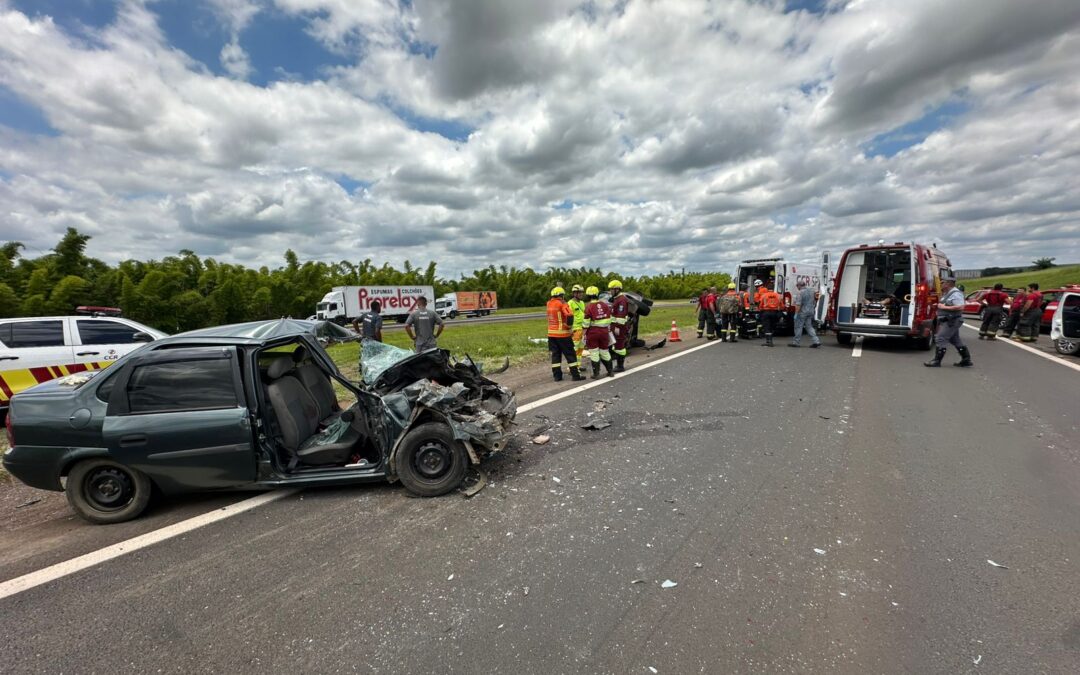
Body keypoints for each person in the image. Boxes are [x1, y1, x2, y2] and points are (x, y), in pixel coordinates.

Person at [924, 272, 972, 367]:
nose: (940, 284)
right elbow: (948, 304)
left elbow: (960, 307)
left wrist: (943, 307)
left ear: (948, 283)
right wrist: (939, 306)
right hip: (949, 320)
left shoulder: (955, 293)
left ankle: (937, 361)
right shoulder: (948, 293)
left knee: (940, 338)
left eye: (942, 282)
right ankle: (966, 359)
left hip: (952, 320)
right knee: (955, 340)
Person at [546, 287, 585, 382]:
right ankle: (576, 376)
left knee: (555, 356)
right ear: (561, 295)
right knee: (570, 355)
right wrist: (569, 326)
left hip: (551, 334)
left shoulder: (548, 303)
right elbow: (569, 315)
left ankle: (557, 376)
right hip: (562, 334)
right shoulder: (562, 303)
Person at [582, 286, 615, 379]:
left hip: (593, 332)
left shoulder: (588, 307)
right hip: (604, 332)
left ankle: (596, 373)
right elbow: (610, 319)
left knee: (594, 352)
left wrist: (583, 333)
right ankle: (610, 371)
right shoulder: (605, 305)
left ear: (588, 296)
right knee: (605, 351)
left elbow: (586, 323)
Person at [789, 280, 821, 348]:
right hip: (810, 311)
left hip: (802, 312)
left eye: (797, 286)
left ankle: (796, 342)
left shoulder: (800, 293)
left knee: (798, 327)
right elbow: (816, 298)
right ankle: (816, 341)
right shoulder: (812, 291)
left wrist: (796, 314)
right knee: (809, 327)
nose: (797, 287)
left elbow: (798, 305)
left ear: (799, 286)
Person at [608, 279, 630, 370]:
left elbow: (620, 317)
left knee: (619, 346)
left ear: (617, 289)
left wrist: (616, 329)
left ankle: (620, 366)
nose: (610, 291)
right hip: (615, 327)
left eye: (612, 289)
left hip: (619, 327)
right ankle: (618, 364)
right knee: (617, 346)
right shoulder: (617, 299)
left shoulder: (622, 300)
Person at [758, 282, 782, 347]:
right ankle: (770, 340)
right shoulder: (778, 296)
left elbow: (760, 305)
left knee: (766, 326)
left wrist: (760, 310)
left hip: (766, 312)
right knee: (772, 326)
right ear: (773, 288)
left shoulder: (764, 295)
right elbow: (782, 305)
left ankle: (768, 341)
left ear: (767, 288)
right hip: (775, 312)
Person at [568, 284, 587, 361]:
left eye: (582, 292)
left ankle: (578, 366)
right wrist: (570, 329)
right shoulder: (570, 303)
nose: (581, 294)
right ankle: (572, 367)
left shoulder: (582, 303)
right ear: (574, 293)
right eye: (579, 292)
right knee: (574, 349)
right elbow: (568, 317)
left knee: (580, 349)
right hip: (575, 330)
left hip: (582, 329)